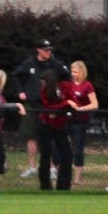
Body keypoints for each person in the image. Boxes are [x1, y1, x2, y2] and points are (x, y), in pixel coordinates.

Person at [11, 39, 70, 178]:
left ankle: (51, 167)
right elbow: (15, 75)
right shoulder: (29, 63)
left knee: (49, 136)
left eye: (49, 50)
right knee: (31, 135)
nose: (48, 52)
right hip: (32, 104)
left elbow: (67, 76)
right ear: (38, 50)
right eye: (45, 50)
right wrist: (21, 91)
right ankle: (32, 166)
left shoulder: (55, 64)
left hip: (48, 104)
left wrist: (60, 92)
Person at [37, 69, 74, 191]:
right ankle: (45, 186)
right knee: (45, 155)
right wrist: (64, 105)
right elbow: (47, 106)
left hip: (59, 125)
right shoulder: (43, 91)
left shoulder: (62, 87)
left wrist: (63, 106)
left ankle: (63, 186)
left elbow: (70, 100)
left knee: (67, 154)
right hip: (46, 124)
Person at [65, 60, 98, 186]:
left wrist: (81, 108)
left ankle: (77, 177)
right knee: (61, 146)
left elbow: (95, 104)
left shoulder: (87, 85)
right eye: (72, 71)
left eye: (76, 72)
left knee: (78, 149)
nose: (73, 74)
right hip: (67, 119)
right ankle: (60, 171)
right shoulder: (68, 84)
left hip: (80, 121)